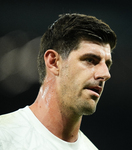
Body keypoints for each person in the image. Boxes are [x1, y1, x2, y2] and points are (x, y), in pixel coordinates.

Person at [0, 13, 117, 150]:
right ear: (54, 62)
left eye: (107, 65)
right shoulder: (4, 135)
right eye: (90, 60)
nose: (105, 74)